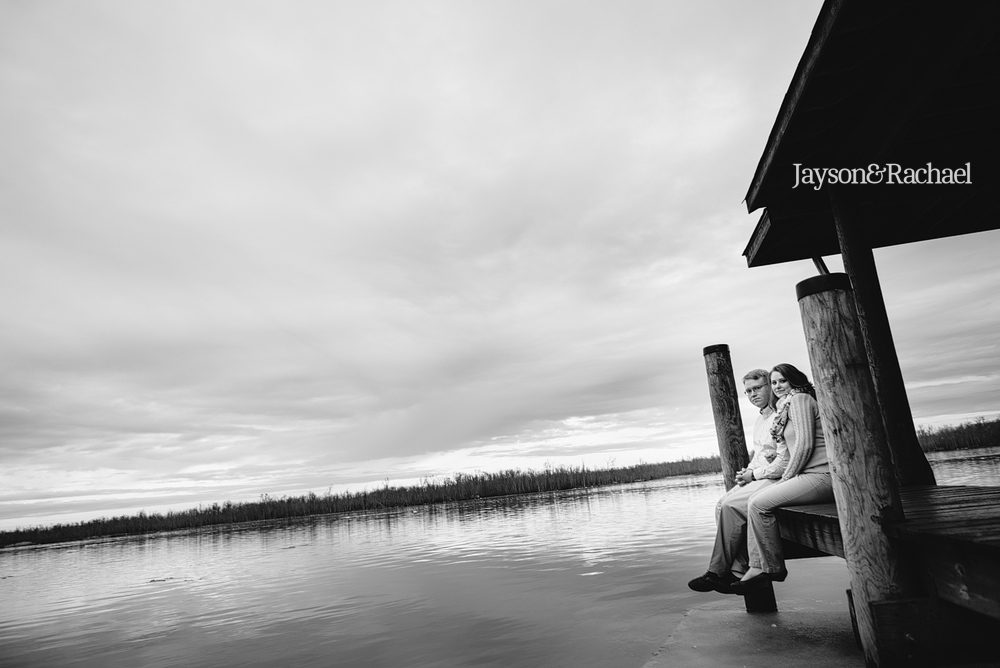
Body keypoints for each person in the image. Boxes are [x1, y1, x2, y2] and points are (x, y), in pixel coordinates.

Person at [732, 363, 834, 593]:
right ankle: (758, 567)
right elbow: (785, 452)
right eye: (774, 382)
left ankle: (772, 569)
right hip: (806, 477)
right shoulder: (785, 407)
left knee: (758, 504)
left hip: (821, 475)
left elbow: (805, 445)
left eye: (782, 381)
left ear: (795, 381)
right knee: (755, 501)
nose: (777, 386)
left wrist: (787, 478)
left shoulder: (800, 400)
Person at [687, 368, 789, 594]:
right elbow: (760, 455)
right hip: (761, 473)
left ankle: (719, 572)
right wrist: (747, 472)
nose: (753, 394)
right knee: (722, 503)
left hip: (778, 477)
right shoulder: (760, 420)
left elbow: (784, 457)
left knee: (733, 506)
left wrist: (754, 474)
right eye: (748, 391)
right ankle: (735, 571)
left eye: (758, 388)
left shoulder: (782, 413)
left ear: (770, 387)